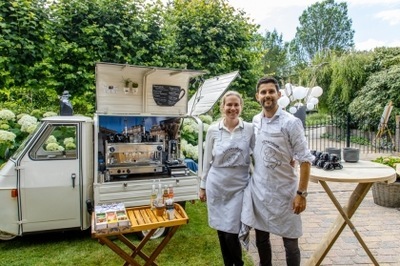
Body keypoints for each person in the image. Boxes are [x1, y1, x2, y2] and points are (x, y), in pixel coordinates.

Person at [241, 77, 314, 266]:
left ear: (279, 95)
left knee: (290, 243)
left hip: (285, 192)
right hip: (261, 191)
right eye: (263, 92)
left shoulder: (291, 122)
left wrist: (301, 194)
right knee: (262, 239)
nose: (267, 96)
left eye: (271, 91)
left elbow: (305, 160)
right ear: (257, 96)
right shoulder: (256, 120)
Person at [199, 90, 254, 266]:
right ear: (223, 107)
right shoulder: (213, 130)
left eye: (236, 104)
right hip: (217, 185)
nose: (232, 108)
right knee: (221, 231)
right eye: (229, 104)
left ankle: (238, 263)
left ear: (241, 106)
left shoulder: (250, 129)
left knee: (232, 231)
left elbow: (258, 156)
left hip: (239, 186)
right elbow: (206, 160)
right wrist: (203, 186)